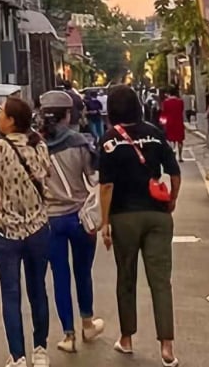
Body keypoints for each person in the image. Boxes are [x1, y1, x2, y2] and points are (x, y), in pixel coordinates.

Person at [99, 85, 181, 367]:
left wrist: (105, 221)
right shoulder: (156, 134)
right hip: (157, 214)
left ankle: (127, 338)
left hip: (124, 216)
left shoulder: (109, 139)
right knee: (160, 281)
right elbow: (174, 171)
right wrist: (172, 200)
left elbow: (107, 185)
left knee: (126, 278)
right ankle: (167, 347)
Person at [0, 96, 54, 367]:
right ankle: (41, 350)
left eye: (1, 114)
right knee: (38, 289)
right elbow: (47, 174)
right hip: (37, 228)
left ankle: (18, 356)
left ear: (11, 121)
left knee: (10, 293)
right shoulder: (39, 146)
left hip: (4, 229)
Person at [38, 90, 105, 354]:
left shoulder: (36, 144)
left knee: (60, 276)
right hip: (79, 216)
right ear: (68, 114)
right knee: (83, 272)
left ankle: (68, 335)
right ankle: (88, 323)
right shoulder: (80, 142)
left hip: (50, 219)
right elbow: (93, 178)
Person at [159, 87, 186, 160]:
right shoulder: (180, 101)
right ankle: (180, 156)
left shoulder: (166, 102)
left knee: (171, 139)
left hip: (169, 123)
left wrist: (162, 122)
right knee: (180, 140)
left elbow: (163, 113)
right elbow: (181, 110)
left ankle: (172, 153)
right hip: (179, 122)